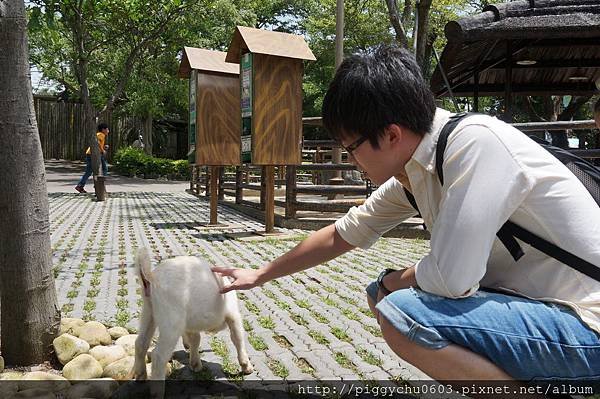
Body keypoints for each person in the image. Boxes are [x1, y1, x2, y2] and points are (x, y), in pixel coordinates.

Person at [213, 45, 600, 384]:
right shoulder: (415, 172)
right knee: (386, 296)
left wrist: (393, 281)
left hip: (586, 323)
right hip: (544, 311)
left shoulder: (474, 144)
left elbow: (452, 279)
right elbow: (342, 233)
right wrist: (259, 274)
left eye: (352, 147)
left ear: (393, 135)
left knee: (403, 313)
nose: (351, 160)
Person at [75, 123, 109, 193]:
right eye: (107, 129)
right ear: (103, 130)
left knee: (89, 171)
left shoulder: (99, 134)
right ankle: (99, 184)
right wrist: (103, 151)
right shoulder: (101, 134)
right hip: (94, 154)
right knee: (105, 168)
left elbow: (98, 143)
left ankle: (80, 186)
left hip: (90, 153)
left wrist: (103, 147)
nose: (108, 130)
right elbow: (97, 142)